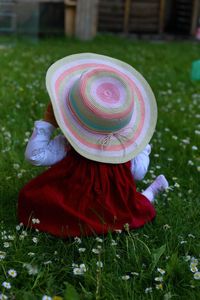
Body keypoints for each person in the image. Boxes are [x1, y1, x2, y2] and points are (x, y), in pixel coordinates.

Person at [18, 53, 169, 238]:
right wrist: (141, 147)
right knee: (132, 207)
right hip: (114, 209)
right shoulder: (123, 152)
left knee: (33, 199)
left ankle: (153, 189)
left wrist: (48, 122)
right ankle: (153, 190)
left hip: (72, 206)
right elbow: (138, 173)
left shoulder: (67, 145)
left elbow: (34, 156)